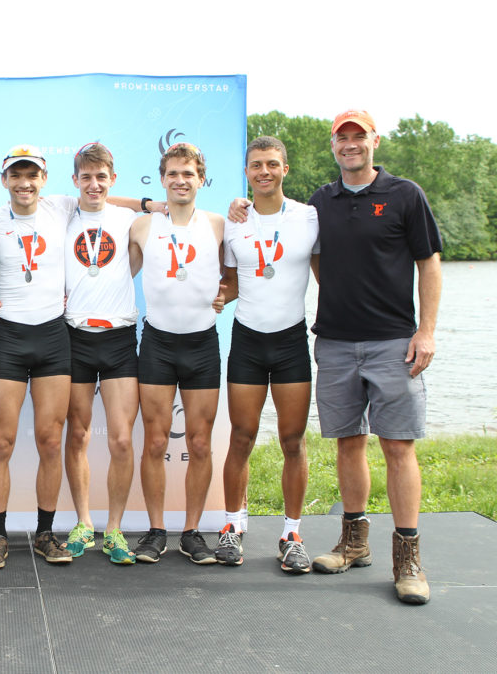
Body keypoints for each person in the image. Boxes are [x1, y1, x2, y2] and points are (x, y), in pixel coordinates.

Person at [229, 110, 442, 604]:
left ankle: (407, 558)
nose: (350, 145)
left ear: (374, 142)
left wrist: (426, 331)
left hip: (395, 341)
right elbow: (286, 231)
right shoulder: (319, 203)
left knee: (398, 447)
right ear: (332, 146)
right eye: (342, 138)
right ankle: (353, 542)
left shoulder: (405, 195)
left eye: (358, 137)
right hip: (334, 341)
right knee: (348, 443)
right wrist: (242, 205)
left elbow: (429, 263)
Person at [216, 137, 319, 573]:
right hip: (248, 341)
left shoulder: (310, 217)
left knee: (292, 441)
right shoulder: (233, 222)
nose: (264, 171)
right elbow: (230, 283)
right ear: (246, 171)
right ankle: (232, 527)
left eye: (272, 164)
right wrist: (218, 296)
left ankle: (291, 534)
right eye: (256, 165)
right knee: (241, 436)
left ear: (285, 169)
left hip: (292, 340)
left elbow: (328, 275)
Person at [0, 144, 77, 569]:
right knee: (1, 441)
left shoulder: (62, 207)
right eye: (16, 175)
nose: (25, 182)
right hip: (8, 338)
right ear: (4, 180)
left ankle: (44, 533)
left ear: (44, 178)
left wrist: (153, 204)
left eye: (32, 174)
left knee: (50, 440)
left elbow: (112, 203)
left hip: (54, 335)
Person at [129, 142, 225, 565]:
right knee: (154, 441)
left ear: (201, 179)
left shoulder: (221, 224)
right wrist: (150, 203)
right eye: (172, 174)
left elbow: (240, 276)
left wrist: (228, 295)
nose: (181, 181)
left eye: (188, 173)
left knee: (200, 444)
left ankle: (191, 531)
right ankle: (155, 530)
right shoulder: (144, 226)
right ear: (162, 179)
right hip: (158, 343)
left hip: (202, 343)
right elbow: (97, 200)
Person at [61, 143, 143, 565]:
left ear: (113, 179)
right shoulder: (60, 213)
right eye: (86, 177)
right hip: (73, 336)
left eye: (102, 177)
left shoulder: (130, 218)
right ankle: (83, 522)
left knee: (122, 439)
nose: (94, 185)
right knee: (76, 434)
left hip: (119, 338)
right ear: (75, 180)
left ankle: (114, 529)